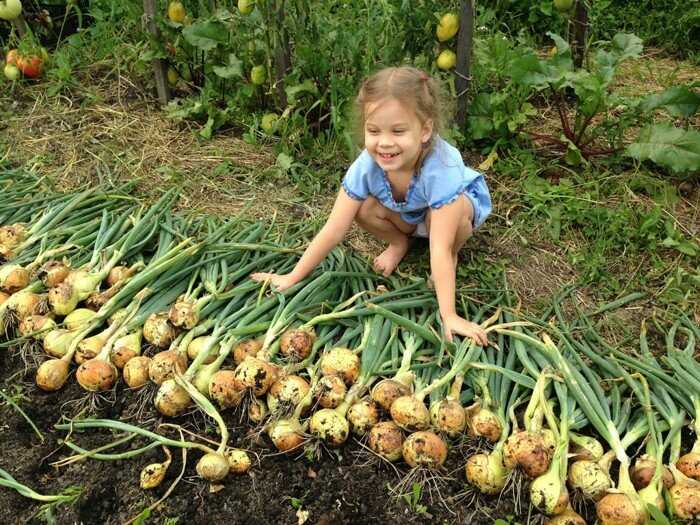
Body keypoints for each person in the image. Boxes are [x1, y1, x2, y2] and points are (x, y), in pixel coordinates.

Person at [251, 66, 492, 346]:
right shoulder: (366, 166)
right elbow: (334, 229)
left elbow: (436, 247)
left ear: (425, 130)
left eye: (398, 131)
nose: (385, 143)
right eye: (374, 131)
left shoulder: (442, 167)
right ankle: (399, 243)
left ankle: (453, 256)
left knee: (457, 217)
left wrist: (449, 315)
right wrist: (292, 277)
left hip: (445, 219)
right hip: (407, 215)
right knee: (362, 208)